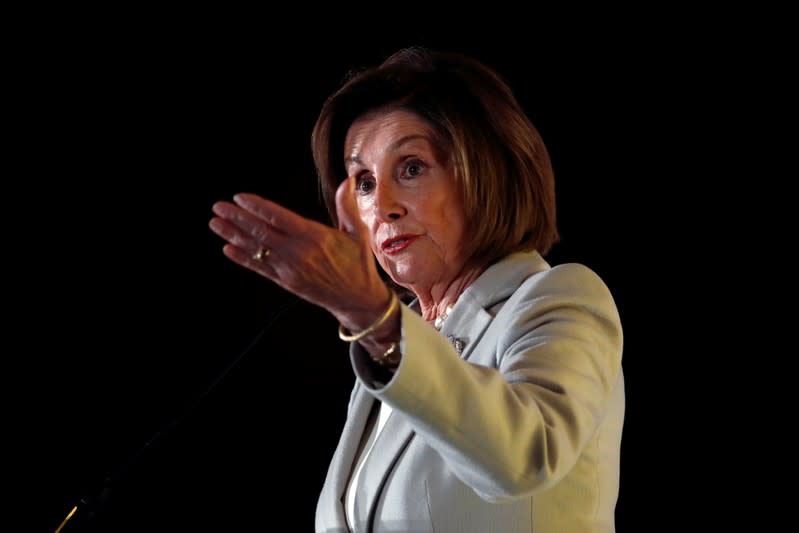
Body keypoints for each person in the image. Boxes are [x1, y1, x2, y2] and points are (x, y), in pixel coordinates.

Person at [209, 46, 624, 533]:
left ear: (484, 172)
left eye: (411, 168)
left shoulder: (560, 298)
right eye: (363, 181)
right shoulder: (392, 347)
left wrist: (375, 320)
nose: (382, 205)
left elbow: (526, 457)